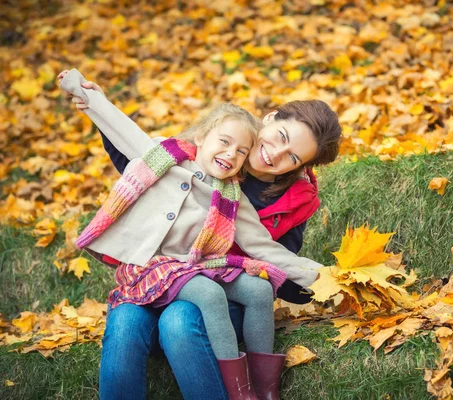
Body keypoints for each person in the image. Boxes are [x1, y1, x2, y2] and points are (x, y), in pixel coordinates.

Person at [62, 70, 342, 400]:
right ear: (269, 118)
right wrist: (94, 103)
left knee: (181, 320)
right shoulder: (202, 147)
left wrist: (331, 280)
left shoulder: (265, 199)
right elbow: (136, 150)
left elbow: (271, 254)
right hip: (158, 276)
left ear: (299, 166)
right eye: (280, 136)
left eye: (293, 157)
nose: (275, 154)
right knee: (123, 321)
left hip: (222, 294)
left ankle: (246, 390)